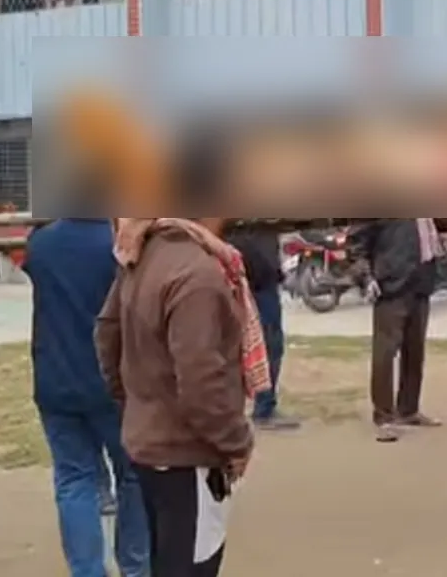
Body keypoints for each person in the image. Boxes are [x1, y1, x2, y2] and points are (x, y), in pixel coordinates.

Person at [96, 218, 270, 577]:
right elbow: (201, 382)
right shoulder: (197, 274)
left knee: (168, 561)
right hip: (186, 454)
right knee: (191, 565)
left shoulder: (143, 254)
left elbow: (106, 336)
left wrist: (135, 406)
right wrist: (236, 442)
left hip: (151, 445)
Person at [24, 218, 149, 577]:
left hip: (56, 378)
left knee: (73, 479)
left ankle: (87, 570)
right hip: (114, 382)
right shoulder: (120, 245)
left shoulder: (42, 244)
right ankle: (135, 566)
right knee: (133, 475)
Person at [360, 218, 447, 442]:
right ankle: (384, 417)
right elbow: (357, 242)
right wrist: (365, 277)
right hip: (392, 282)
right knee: (385, 352)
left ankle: (408, 409)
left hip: (421, 281)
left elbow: (443, 223)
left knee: (415, 350)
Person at [227, 225, 300, 430]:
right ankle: (257, 409)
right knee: (263, 345)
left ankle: (263, 407)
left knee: (270, 345)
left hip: (261, 280)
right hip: (243, 279)